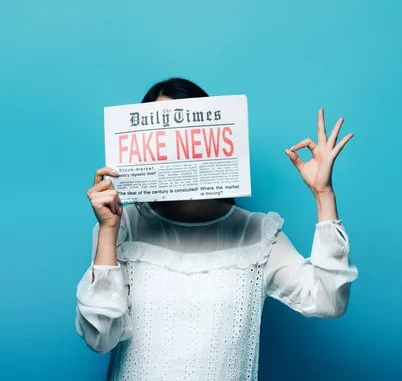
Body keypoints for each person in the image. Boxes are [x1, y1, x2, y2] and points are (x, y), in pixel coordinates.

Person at [75, 78, 358, 381]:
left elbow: (329, 301)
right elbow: (99, 338)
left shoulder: (258, 234)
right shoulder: (123, 225)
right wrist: (108, 229)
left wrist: (323, 195)